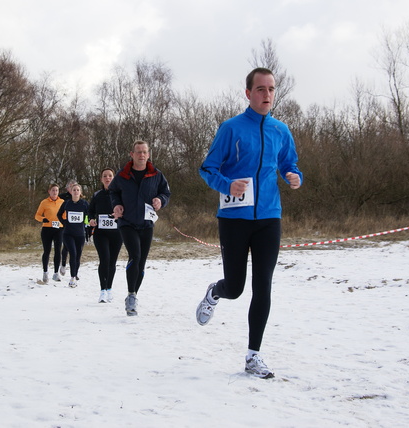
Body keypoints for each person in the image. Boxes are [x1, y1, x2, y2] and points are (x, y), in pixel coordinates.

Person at [196, 67, 303, 379]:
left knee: (263, 286)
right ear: (248, 93)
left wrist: (294, 176)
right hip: (234, 218)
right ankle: (215, 292)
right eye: (260, 89)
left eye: (271, 89)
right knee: (237, 287)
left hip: (270, 216)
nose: (266, 95)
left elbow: (289, 163)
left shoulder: (281, 130)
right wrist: (226, 184)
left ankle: (253, 356)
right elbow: (207, 168)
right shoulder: (231, 129)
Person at [109, 140, 171, 316]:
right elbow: (113, 192)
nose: (141, 155)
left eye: (144, 152)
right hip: (127, 222)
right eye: (138, 152)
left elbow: (166, 193)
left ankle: (134, 294)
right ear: (132, 154)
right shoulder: (122, 175)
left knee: (141, 262)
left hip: (146, 224)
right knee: (135, 256)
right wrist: (117, 205)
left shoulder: (156, 175)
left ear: (148, 154)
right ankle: (130, 295)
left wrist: (161, 200)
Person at [89, 168, 123, 303]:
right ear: (101, 179)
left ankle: (109, 289)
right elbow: (89, 212)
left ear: (114, 178)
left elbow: (126, 210)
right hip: (100, 233)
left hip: (117, 233)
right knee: (104, 259)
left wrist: (120, 216)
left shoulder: (121, 194)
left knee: (112, 262)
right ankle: (102, 290)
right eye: (105, 176)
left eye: (110, 176)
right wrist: (91, 220)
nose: (107, 178)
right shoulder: (97, 195)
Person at [57, 183, 90, 288]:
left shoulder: (84, 204)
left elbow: (89, 216)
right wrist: (64, 223)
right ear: (71, 192)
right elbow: (59, 214)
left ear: (80, 193)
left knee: (78, 256)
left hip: (80, 234)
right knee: (73, 253)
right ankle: (72, 278)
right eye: (74, 190)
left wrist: (88, 226)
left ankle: (75, 274)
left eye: (77, 190)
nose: (76, 192)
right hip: (68, 233)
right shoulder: (66, 203)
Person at [34, 184, 65, 283]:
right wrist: (43, 219)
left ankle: (56, 273)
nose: (55, 192)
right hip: (47, 229)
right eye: (53, 190)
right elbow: (37, 215)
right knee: (47, 251)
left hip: (59, 229)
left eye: (56, 190)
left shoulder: (62, 202)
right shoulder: (44, 202)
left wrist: (65, 222)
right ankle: (45, 272)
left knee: (57, 251)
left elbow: (65, 215)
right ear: (49, 191)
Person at [58, 179, 77, 276]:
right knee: (66, 246)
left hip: (76, 226)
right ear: (67, 188)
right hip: (65, 225)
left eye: (75, 186)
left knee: (76, 248)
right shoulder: (62, 197)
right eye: (71, 186)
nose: (73, 188)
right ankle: (63, 264)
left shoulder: (79, 197)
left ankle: (75, 271)